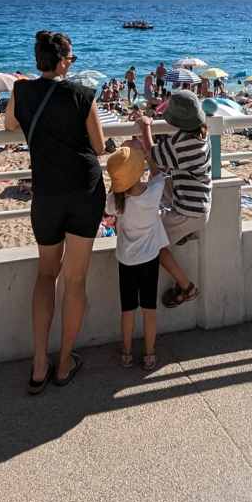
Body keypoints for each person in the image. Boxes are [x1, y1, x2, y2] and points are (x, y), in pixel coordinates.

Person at [5, 30, 106, 393]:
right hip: (84, 190)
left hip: (46, 192)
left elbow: (9, 125)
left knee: (46, 275)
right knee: (75, 280)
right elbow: (99, 145)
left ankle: (38, 364)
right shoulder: (82, 94)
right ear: (63, 60)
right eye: (72, 59)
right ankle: (64, 362)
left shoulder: (21, 91)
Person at [132, 90, 209, 309]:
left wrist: (146, 126)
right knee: (161, 180)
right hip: (196, 201)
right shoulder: (199, 136)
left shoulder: (183, 144)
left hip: (189, 212)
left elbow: (153, 153)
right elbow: (164, 162)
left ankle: (187, 287)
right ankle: (181, 234)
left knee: (151, 244)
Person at [105, 142, 168, 370]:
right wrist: (146, 153)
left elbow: (110, 203)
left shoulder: (117, 201)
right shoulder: (152, 193)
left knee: (128, 309)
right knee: (149, 309)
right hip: (150, 259)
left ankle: (126, 353)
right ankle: (150, 354)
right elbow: (158, 173)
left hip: (126, 261)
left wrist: (117, 184)